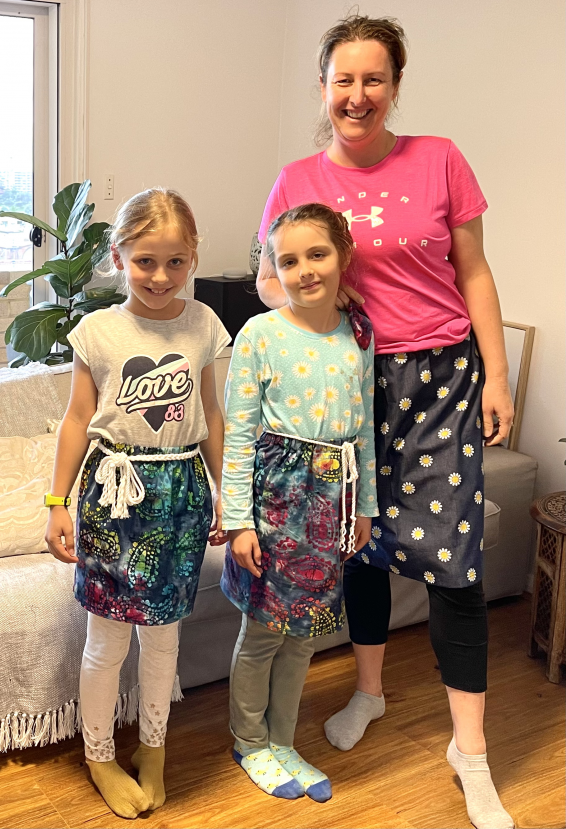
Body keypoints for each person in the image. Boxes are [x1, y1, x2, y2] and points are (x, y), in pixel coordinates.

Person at [256, 14, 515, 829]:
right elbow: (271, 282)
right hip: (348, 381)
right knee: (360, 547)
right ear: (323, 86)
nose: (357, 95)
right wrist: (319, 309)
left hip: (440, 381)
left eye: (373, 80)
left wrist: (497, 378)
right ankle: (368, 692)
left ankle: (469, 752)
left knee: (455, 566)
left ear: (394, 86)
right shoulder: (297, 179)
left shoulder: (438, 159)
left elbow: (474, 272)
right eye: (343, 80)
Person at [44, 188, 228, 819]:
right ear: (118, 258)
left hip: (179, 496)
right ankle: (98, 754)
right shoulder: (96, 331)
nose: (160, 275)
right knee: (108, 641)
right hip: (113, 498)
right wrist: (56, 501)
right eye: (145, 260)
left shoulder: (204, 324)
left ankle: (155, 748)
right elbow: (76, 419)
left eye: (175, 261)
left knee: (164, 640)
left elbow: (210, 414)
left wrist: (223, 494)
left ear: (193, 257)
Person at [221, 203, 377, 803]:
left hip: (335, 500)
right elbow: (238, 434)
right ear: (272, 270)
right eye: (288, 260)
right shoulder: (259, 335)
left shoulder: (359, 333)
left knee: (306, 632)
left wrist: (364, 508)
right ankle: (250, 739)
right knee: (263, 631)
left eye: (317, 254)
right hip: (276, 500)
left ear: (343, 255)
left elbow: (363, 427)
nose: (305, 270)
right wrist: (238, 523)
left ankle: (283, 740)